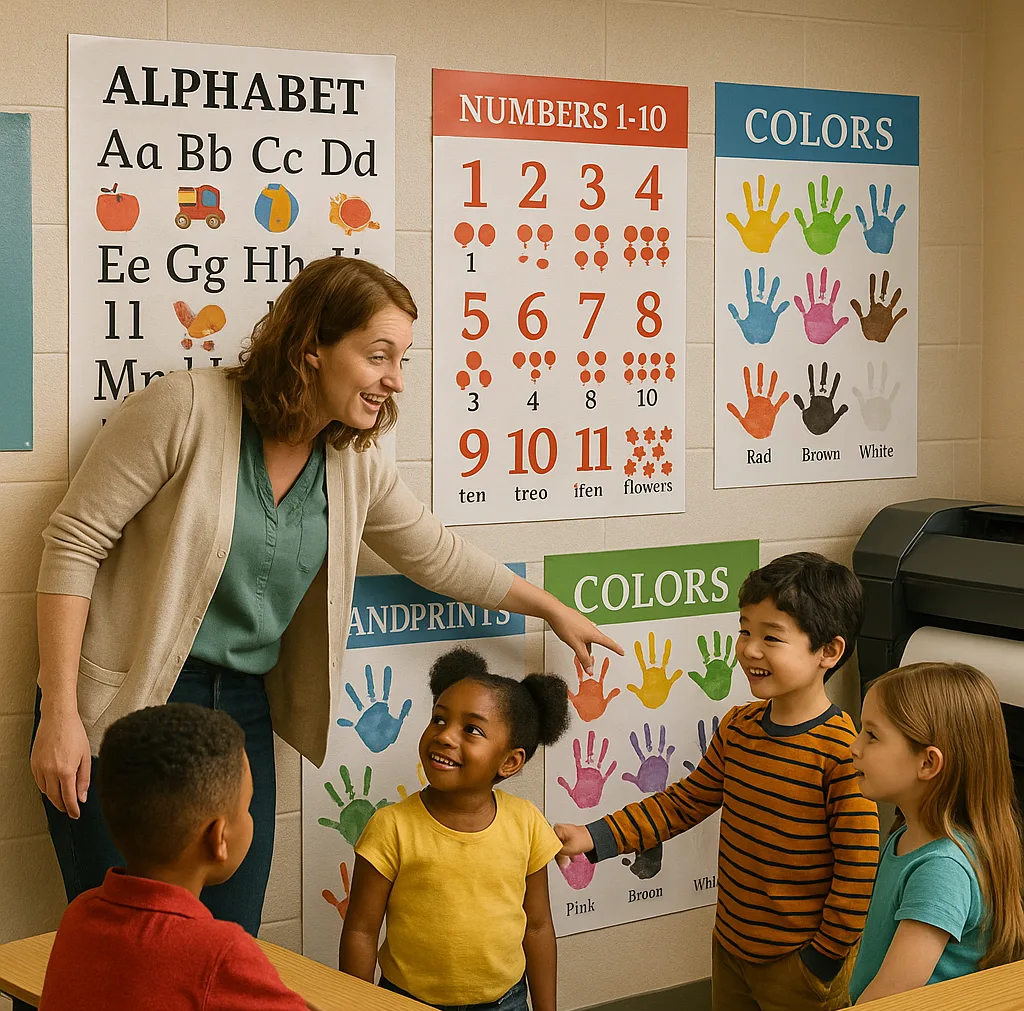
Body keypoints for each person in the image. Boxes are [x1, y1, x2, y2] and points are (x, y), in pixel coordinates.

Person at [30, 256, 621, 936]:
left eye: (401, 359)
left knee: (227, 939)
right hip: (128, 706)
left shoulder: (353, 460)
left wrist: (551, 607)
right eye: (378, 356)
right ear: (311, 347)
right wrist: (61, 712)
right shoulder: (184, 407)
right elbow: (73, 543)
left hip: (241, 714)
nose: (394, 379)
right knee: (127, 941)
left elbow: (435, 552)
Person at [554, 552, 880, 1011]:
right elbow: (683, 802)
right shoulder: (739, 726)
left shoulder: (843, 753)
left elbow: (858, 870)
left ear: (828, 651)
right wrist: (593, 838)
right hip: (730, 950)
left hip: (801, 967)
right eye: (745, 629)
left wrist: (820, 962)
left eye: (772, 637)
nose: (749, 649)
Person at [39, 703, 325, 1011]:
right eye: (246, 807)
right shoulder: (222, 954)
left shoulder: (80, 915)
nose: (249, 817)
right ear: (218, 837)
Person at [340, 647, 569, 1011]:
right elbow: (361, 932)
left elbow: (539, 926)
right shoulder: (391, 826)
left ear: (510, 761)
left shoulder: (526, 823)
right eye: (438, 720)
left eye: (472, 729)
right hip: (404, 1007)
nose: (445, 736)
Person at [849, 662, 1024, 1003]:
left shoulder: (941, 869)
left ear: (927, 763)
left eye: (872, 735)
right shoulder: (906, 836)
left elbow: (891, 996)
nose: (855, 747)